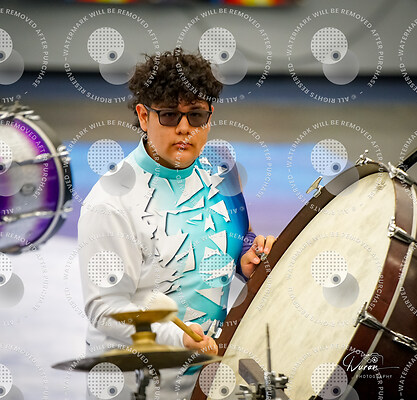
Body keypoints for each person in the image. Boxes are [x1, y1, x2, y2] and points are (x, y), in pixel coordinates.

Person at [78, 48, 275, 399]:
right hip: (136, 382)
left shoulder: (219, 167)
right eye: (169, 115)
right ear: (144, 116)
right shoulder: (110, 202)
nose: (185, 128)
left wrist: (246, 256)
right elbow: (105, 309)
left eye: (196, 115)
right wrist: (179, 337)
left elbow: (236, 233)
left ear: (209, 116)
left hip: (209, 376)